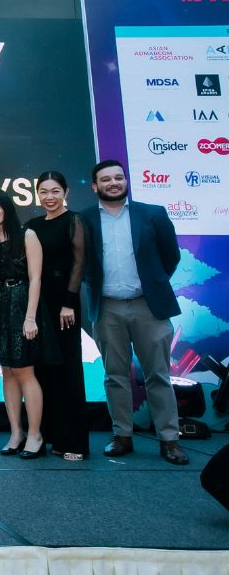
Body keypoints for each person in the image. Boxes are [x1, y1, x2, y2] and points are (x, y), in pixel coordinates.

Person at [82, 159, 187, 465]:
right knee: (115, 376)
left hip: (148, 307)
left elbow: (171, 256)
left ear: (126, 181)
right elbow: (82, 262)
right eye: (106, 179)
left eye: (118, 177)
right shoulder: (85, 219)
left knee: (159, 375)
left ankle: (169, 439)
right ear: (95, 187)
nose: (113, 183)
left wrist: (153, 284)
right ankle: (122, 435)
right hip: (107, 308)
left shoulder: (152, 214)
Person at [0, 189, 59, 460]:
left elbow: (36, 278)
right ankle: (16, 433)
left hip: (23, 305)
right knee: (7, 372)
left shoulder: (27, 235)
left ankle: (35, 435)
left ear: (6, 206)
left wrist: (30, 317)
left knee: (25, 372)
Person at [27, 170, 90, 461]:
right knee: (43, 370)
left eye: (55, 191)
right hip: (38, 303)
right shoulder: (33, 225)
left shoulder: (74, 220)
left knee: (68, 370)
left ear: (66, 192)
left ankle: (74, 441)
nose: (49, 197)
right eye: (44, 192)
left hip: (65, 304)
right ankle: (50, 436)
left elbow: (79, 263)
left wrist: (68, 302)